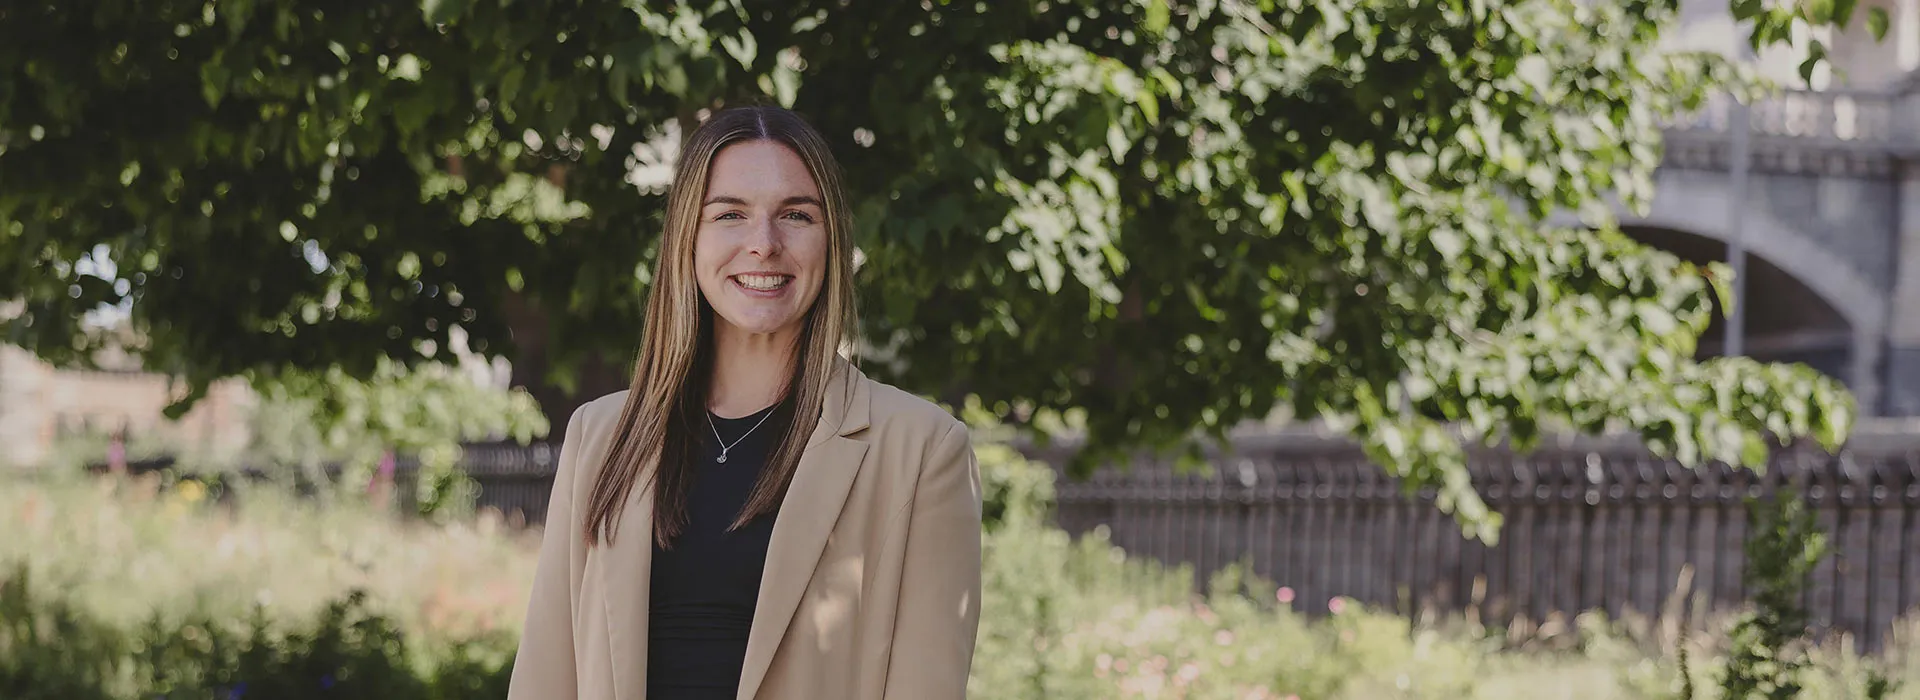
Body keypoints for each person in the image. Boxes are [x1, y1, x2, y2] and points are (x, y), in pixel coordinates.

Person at [506, 105, 983, 700]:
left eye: (796, 215)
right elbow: (547, 677)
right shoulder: (600, 436)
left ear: (832, 239)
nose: (764, 244)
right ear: (689, 236)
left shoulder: (921, 449)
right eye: (730, 214)